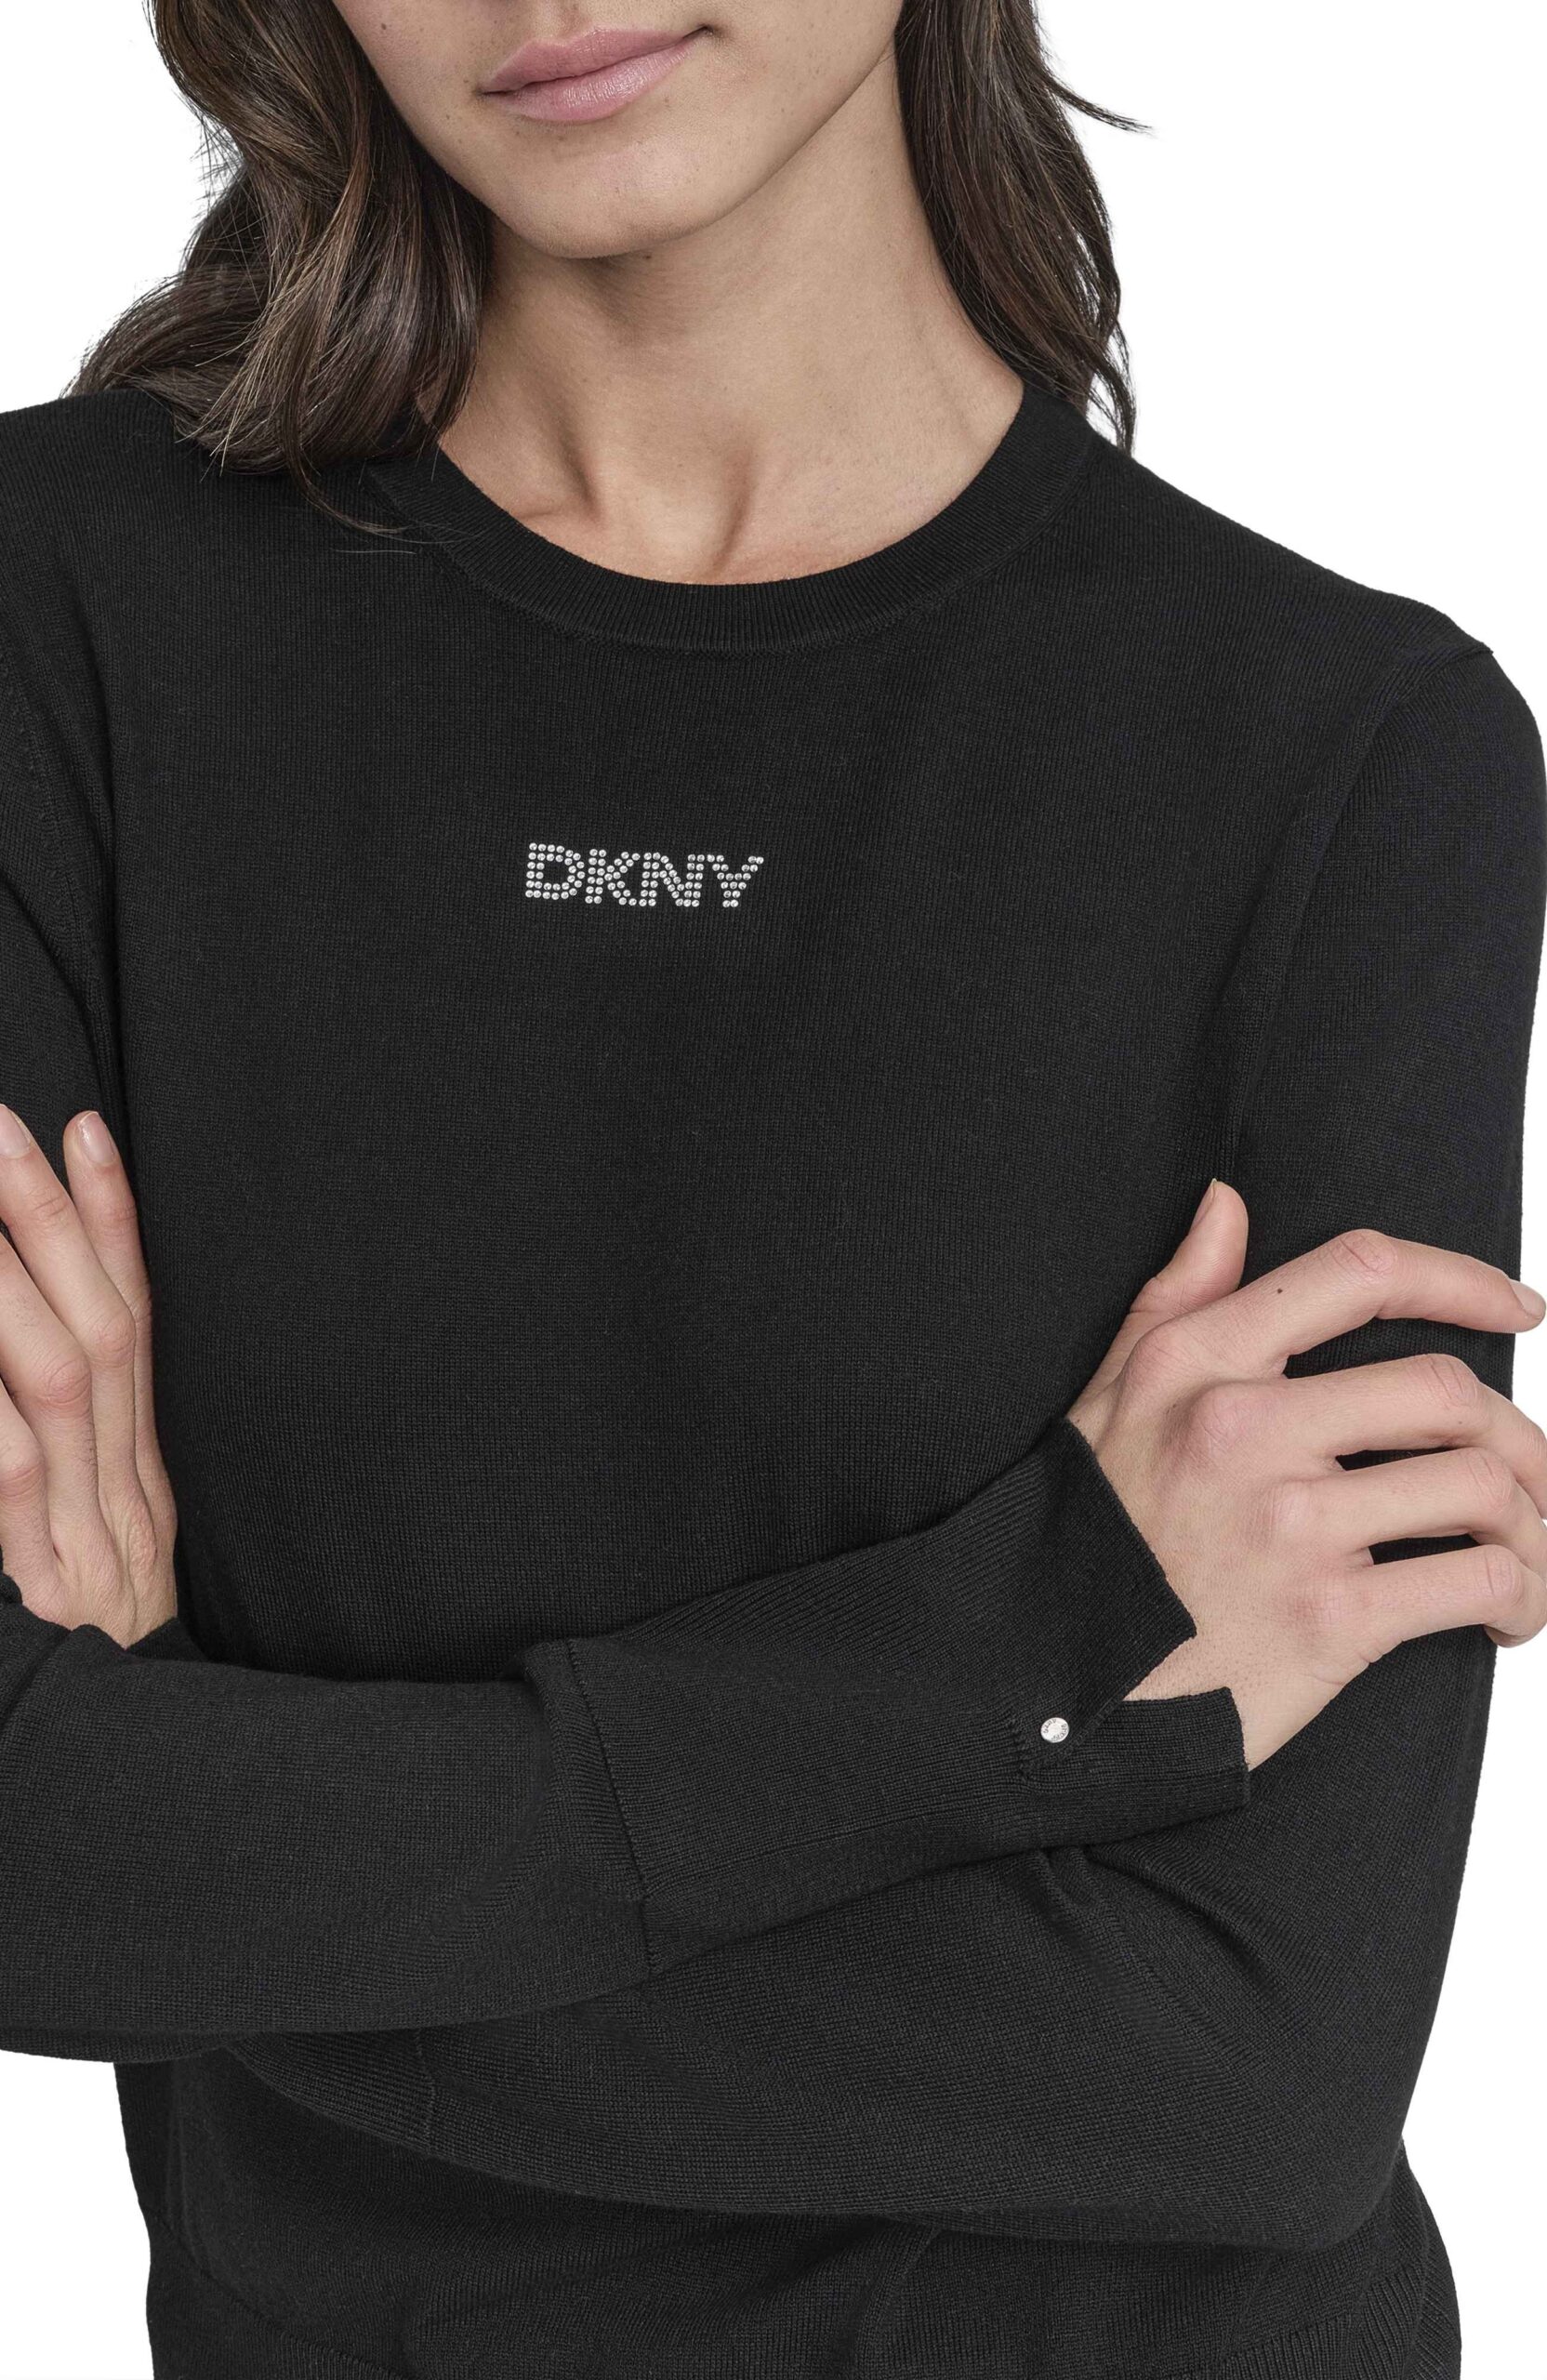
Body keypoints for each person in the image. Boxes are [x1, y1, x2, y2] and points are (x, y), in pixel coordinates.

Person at [0, 4, 1541, 2375]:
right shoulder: (60, 614)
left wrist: (213, 1846)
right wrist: (1030, 1642)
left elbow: (1253, 2070)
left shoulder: (1344, 749)